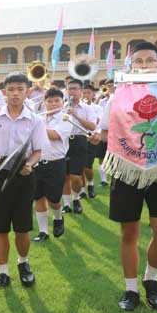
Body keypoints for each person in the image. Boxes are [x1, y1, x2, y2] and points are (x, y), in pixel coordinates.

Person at [93, 41, 157, 312]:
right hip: (127, 167)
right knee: (129, 231)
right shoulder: (118, 94)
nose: (144, 66)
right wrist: (98, 136)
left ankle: (151, 279)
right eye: (139, 61)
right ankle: (131, 287)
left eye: (149, 61)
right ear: (131, 65)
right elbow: (105, 129)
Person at [0, 72, 48, 290]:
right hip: (0, 175)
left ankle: (23, 264)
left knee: (22, 228)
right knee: (0, 228)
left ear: (27, 91)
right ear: (4, 92)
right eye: (11, 89)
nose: (15, 93)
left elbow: (38, 151)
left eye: (20, 89)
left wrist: (30, 165)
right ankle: (2, 272)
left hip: (24, 176)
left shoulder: (35, 120)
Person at [32, 88, 71, 241]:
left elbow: (55, 135)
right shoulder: (39, 118)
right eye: (49, 101)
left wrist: (36, 125)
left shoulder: (65, 118)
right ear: (44, 102)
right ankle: (43, 232)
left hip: (55, 164)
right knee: (38, 197)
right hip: (37, 163)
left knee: (54, 199)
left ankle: (57, 218)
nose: (53, 103)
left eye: (57, 100)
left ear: (62, 102)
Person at [61, 75, 98, 214]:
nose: (72, 92)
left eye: (75, 89)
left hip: (80, 141)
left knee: (76, 177)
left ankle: (76, 198)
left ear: (81, 91)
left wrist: (76, 116)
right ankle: (66, 204)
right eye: (70, 89)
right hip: (64, 141)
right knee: (64, 175)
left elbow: (93, 126)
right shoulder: (62, 106)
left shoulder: (88, 109)